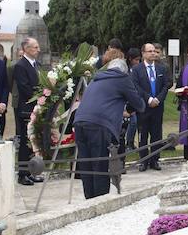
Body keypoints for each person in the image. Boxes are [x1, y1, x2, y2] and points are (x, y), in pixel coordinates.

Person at [73, 48, 145, 199]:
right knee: (100, 167)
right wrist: (129, 109)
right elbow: (139, 104)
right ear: (124, 70)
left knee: (87, 166)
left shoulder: (96, 78)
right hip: (99, 124)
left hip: (79, 122)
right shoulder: (122, 78)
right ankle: (100, 204)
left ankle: (89, 201)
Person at [130, 42, 171, 171]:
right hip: (143, 107)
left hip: (158, 107)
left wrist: (158, 98)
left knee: (156, 134)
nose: (153, 53)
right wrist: (149, 99)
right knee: (143, 135)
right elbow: (136, 87)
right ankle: (144, 161)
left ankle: (155, 160)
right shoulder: (137, 70)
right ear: (143, 54)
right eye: (150, 51)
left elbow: (166, 85)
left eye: (154, 51)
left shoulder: (161, 69)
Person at [13, 37, 44, 186]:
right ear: (26, 48)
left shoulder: (36, 64)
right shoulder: (21, 65)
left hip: (36, 108)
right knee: (25, 143)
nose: (38, 50)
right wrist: (41, 96)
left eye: (38, 47)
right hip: (26, 108)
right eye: (35, 47)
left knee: (33, 143)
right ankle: (22, 174)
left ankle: (31, 171)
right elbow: (25, 88)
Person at [123, 47, 142, 152]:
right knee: (132, 122)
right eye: (136, 60)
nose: (138, 62)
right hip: (126, 100)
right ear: (130, 59)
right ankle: (128, 143)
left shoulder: (137, 70)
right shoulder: (125, 70)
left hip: (134, 99)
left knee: (135, 122)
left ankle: (130, 142)